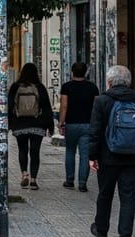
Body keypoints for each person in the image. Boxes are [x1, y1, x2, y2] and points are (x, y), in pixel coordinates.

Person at [88, 65, 135, 237]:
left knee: (105, 194)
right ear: (129, 82)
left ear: (109, 82)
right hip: (132, 158)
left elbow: (95, 131)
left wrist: (92, 156)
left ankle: (101, 230)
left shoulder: (102, 101)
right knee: (128, 199)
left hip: (107, 157)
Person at [7, 62, 55, 190]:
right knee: (35, 152)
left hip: (20, 125)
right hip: (38, 125)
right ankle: (33, 180)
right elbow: (47, 108)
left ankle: (24, 174)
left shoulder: (15, 87)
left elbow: (10, 106)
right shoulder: (40, 87)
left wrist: (9, 124)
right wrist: (50, 127)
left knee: (22, 150)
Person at [59, 62, 99, 192]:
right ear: (86, 72)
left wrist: (61, 122)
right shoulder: (92, 87)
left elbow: (64, 106)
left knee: (70, 151)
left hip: (71, 124)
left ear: (72, 72)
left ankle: (69, 180)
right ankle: (82, 183)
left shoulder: (67, 87)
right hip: (87, 124)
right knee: (85, 154)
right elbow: (96, 108)